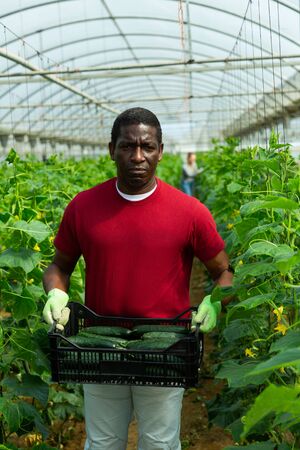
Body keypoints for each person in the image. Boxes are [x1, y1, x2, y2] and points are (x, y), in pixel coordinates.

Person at [42, 107, 233, 450]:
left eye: (147, 146)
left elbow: (223, 271)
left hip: (165, 346)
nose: (138, 156)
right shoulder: (83, 207)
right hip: (99, 347)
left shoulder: (190, 212)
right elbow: (60, 265)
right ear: (111, 149)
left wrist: (213, 301)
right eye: (127, 146)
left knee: (159, 443)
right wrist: (55, 293)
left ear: (161, 151)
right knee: (103, 442)